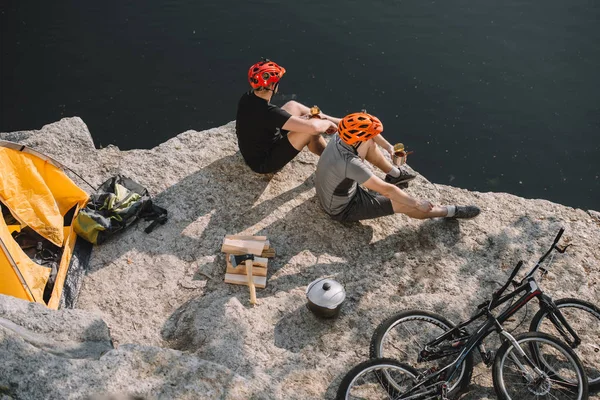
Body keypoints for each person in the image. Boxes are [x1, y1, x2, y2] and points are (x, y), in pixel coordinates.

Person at [315, 111, 481, 222]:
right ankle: (450, 211)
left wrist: (389, 148)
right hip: (341, 207)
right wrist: (417, 203)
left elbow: (368, 134)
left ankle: (395, 174)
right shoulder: (350, 163)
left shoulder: (341, 135)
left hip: (335, 191)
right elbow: (388, 191)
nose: (374, 136)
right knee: (403, 204)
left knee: (368, 142)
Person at [235, 58, 340, 174]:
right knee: (310, 131)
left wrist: (304, 120)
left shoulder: (247, 97)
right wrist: (327, 124)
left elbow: (267, 119)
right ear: (272, 86)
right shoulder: (270, 112)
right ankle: (334, 160)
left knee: (293, 105)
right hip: (264, 162)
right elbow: (314, 128)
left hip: (264, 141)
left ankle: (339, 122)